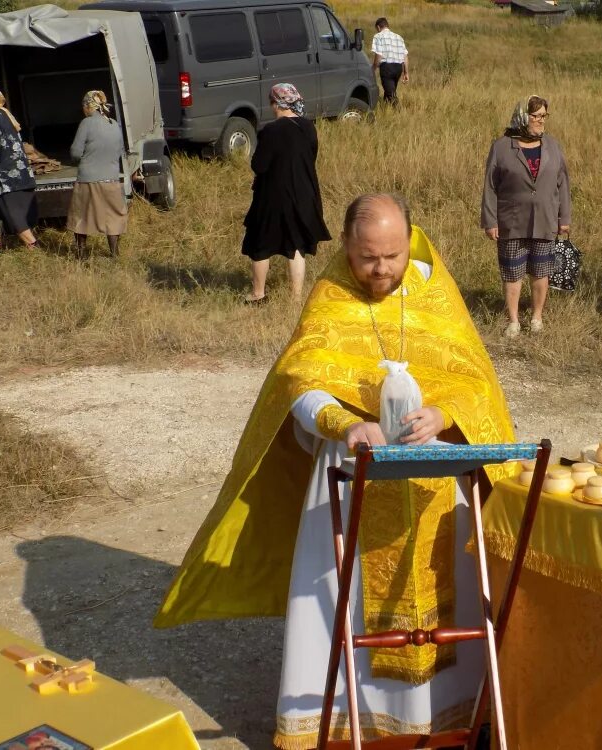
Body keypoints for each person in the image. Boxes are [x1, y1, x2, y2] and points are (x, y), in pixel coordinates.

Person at [155, 193, 516, 749]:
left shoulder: (434, 291)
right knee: (341, 605)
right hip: (352, 480)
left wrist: (445, 413)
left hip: (435, 482)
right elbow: (299, 382)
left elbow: (475, 381)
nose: (381, 270)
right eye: (369, 257)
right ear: (347, 245)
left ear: (409, 242)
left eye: (392, 256)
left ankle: (448, 722)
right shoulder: (330, 295)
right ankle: (352, 725)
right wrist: (342, 422)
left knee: (451, 600)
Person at [481, 94, 571, 337]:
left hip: (545, 219)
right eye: (536, 116)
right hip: (511, 222)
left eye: (544, 116)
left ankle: (536, 318)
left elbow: (563, 183)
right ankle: (513, 321)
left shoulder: (552, 146)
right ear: (523, 117)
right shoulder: (501, 147)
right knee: (512, 273)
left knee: (540, 271)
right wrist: (490, 221)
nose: (541, 121)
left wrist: (565, 219)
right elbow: (490, 186)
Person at [241, 83, 330, 304]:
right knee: (296, 244)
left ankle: (258, 294)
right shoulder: (308, 127)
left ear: (276, 103)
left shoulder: (270, 131)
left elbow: (259, 165)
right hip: (304, 193)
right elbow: (310, 157)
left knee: (260, 243)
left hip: (272, 196)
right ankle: (296, 298)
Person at [67, 90, 127, 259]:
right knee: (113, 217)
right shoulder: (113, 124)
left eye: (83, 106)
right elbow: (120, 150)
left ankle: (81, 255)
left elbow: (76, 152)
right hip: (111, 179)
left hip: (88, 179)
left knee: (81, 217)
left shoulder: (86, 123)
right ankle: (115, 253)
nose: (83, 110)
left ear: (88, 106)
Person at [0, 85, 38, 255]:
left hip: (5, 178)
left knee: (15, 218)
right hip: (16, 174)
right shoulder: (4, 113)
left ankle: (35, 249)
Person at [371, 17, 408, 106]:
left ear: (378, 27)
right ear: (387, 26)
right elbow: (405, 56)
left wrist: (373, 68)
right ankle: (385, 110)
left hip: (387, 68)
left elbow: (379, 55)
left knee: (391, 94)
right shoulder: (399, 37)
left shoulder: (378, 36)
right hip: (398, 68)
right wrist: (406, 73)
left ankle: (399, 112)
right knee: (390, 91)